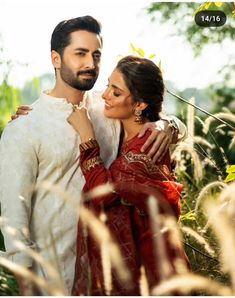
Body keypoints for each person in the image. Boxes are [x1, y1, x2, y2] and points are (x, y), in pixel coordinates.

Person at [0, 16, 186, 295]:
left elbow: (148, 114)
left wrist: (168, 125)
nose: (90, 64)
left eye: (96, 54)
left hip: (115, 275)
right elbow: (14, 223)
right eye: (80, 53)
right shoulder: (25, 128)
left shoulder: (107, 108)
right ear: (56, 59)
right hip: (56, 277)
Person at [67, 55, 189, 296]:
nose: (105, 96)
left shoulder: (145, 149)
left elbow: (102, 192)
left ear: (140, 104)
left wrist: (86, 137)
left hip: (154, 271)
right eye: (108, 85)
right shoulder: (132, 132)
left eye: (116, 91)